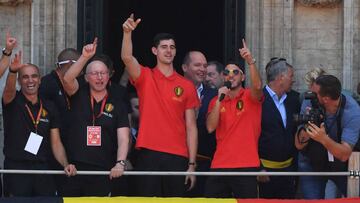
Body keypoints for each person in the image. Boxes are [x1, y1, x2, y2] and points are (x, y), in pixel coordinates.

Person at [121, 14, 199, 197]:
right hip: (149, 153)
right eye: (164, 47)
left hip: (178, 156)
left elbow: (191, 127)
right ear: (154, 51)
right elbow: (126, 57)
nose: (168, 51)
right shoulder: (145, 76)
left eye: (172, 47)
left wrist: (192, 165)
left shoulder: (186, 85)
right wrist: (127, 33)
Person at [2, 51, 76, 197]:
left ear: (40, 80)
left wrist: (65, 164)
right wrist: (12, 71)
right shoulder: (13, 101)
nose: (30, 81)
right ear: (19, 81)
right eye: (25, 77)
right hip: (17, 168)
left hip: (42, 168)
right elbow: (8, 91)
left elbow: (56, 142)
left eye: (34, 76)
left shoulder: (49, 106)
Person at [62, 39, 130, 196]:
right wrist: (85, 57)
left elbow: (124, 138)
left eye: (103, 73)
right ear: (86, 77)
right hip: (75, 169)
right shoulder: (78, 94)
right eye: (94, 73)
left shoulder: (117, 103)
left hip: (104, 170)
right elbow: (67, 79)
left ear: (109, 76)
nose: (99, 77)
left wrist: (120, 164)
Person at [204, 39, 263, 198]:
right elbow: (210, 127)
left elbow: (258, 87)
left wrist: (250, 61)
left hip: (246, 164)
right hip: (220, 164)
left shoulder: (250, 97)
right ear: (223, 77)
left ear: (243, 77)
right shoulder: (216, 100)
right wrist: (219, 100)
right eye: (227, 73)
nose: (231, 75)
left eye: (235, 72)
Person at [295, 74, 360, 199]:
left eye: (315, 93)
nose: (310, 94)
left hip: (339, 164)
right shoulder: (309, 101)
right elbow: (298, 145)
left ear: (325, 99)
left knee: (354, 198)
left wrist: (323, 138)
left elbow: (344, 154)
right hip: (311, 161)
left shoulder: (352, 112)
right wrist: (309, 126)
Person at [38, 48, 81, 195]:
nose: (81, 71)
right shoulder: (46, 84)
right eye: (79, 65)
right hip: (48, 147)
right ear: (70, 64)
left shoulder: (74, 84)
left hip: (68, 147)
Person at [257, 57, 300, 199]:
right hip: (265, 173)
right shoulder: (258, 100)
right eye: (291, 76)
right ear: (281, 77)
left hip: (288, 173)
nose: (293, 80)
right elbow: (249, 136)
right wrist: (258, 168)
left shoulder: (293, 100)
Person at [182, 51, 217, 197]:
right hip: (177, 161)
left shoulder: (214, 95)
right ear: (184, 67)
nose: (202, 69)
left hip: (205, 163)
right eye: (197, 65)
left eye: (204, 65)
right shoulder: (173, 89)